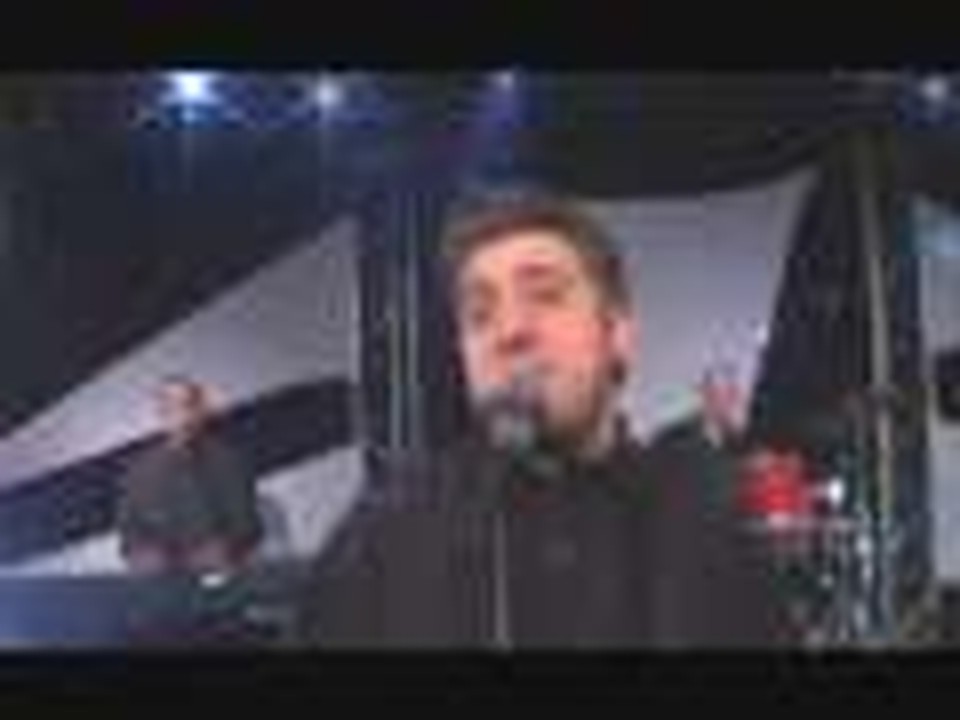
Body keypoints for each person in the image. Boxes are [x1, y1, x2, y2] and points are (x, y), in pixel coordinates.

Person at [296, 191, 793, 648]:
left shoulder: (707, 537)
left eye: (546, 295)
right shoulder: (382, 539)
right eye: (479, 314)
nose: (510, 330)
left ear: (617, 333)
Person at [116, 375, 262, 576]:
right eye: (169, 408)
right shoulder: (140, 468)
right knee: (149, 567)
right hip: (160, 570)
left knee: (215, 561)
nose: (180, 416)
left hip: (214, 564)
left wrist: (226, 548)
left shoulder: (228, 462)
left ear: (200, 411)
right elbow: (129, 530)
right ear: (161, 414)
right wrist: (141, 552)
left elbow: (246, 526)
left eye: (186, 406)